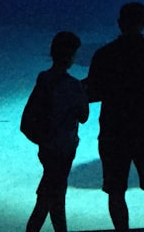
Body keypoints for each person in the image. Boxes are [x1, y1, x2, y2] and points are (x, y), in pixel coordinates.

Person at [84, 2, 144, 231]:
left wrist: (116, 93)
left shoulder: (104, 54)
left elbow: (92, 92)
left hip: (114, 129)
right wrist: (143, 92)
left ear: (119, 23)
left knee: (115, 189)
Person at [25, 31, 89, 232]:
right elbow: (84, 116)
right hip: (63, 149)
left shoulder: (43, 78)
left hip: (46, 147)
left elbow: (30, 115)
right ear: (71, 56)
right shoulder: (74, 85)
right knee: (50, 200)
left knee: (51, 196)